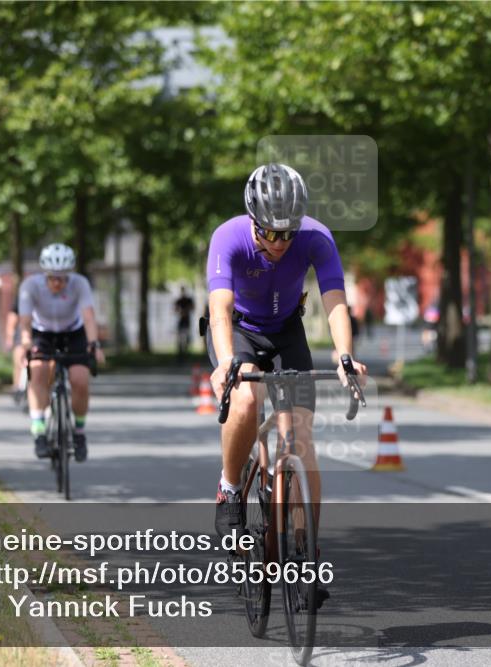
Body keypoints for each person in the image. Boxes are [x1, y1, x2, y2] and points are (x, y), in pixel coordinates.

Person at [205, 163, 368, 607]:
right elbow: (219, 310)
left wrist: (344, 355)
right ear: (253, 221)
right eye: (268, 234)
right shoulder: (229, 237)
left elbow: (335, 299)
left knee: (299, 438)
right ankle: (230, 488)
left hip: (286, 333)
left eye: (286, 234)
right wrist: (225, 364)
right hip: (238, 330)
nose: (278, 244)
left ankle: (306, 553)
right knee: (244, 398)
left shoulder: (317, 236)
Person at [19, 243, 106, 462]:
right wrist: (26, 341)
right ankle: (38, 429)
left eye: (62, 278)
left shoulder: (80, 284)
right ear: (44, 274)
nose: (57, 282)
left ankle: (79, 433)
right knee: (38, 370)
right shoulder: (30, 285)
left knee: (80, 380)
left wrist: (94, 343)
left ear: (69, 275)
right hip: (43, 333)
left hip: (73, 333)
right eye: (52, 277)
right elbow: (26, 320)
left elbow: (88, 315)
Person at [4, 296, 27, 408]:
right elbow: (12, 317)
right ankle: (17, 387)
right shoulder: (23, 297)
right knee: (19, 359)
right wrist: (9, 337)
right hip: (23, 332)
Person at [174, 286, 195, 360]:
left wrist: (186, 311)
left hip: (187, 321)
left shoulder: (188, 300)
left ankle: (185, 352)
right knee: (180, 338)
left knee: (186, 337)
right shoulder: (179, 300)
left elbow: (192, 308)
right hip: (181, 321)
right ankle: (180, 353)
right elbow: (175, 309)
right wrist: (180, 311)